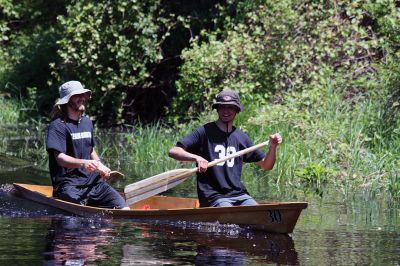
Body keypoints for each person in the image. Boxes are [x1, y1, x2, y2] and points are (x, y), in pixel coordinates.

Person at [168, 90, 282, 207]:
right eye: (222, 107)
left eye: (230, 107)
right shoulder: (204, 132)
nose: (226, 111)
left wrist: (273, 147)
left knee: (257, 211)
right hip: (213, 196)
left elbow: (266, 165)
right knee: (227, 207)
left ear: (237, 110)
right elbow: (174, 151)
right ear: (217, 109)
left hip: (239, 194)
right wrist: (197, 158)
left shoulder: (241, 137)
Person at [46, 80, 128, 209]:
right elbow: (60, 158)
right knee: (80, 219)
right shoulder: (57, 126)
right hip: (68, 186)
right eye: (77, 96)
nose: (82, 98)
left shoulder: (87, 122)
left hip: (94, 183)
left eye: (83, 95)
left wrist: (100, 165)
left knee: (124, 209)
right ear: (67, 100)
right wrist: (83, 163)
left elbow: (90, 149)